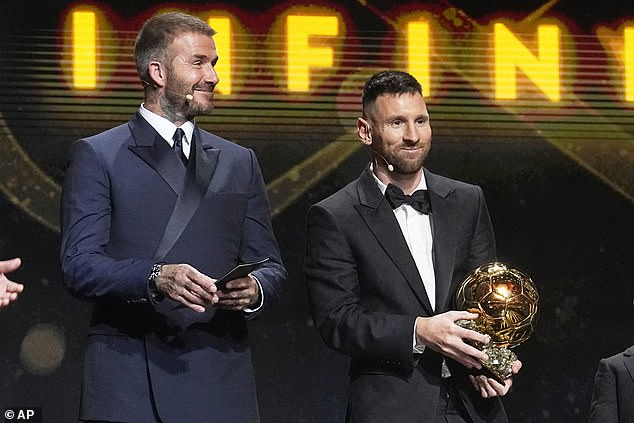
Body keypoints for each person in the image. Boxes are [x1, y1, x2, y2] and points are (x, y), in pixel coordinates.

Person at [60, 12, 286, 423]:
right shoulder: (99, 155)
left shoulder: (239, 161)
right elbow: (78, 266)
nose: (213, 76)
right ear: (158, 72)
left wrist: (255, 288)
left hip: (221, 383)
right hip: (131, 385)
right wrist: (156, 276)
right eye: (198, 62)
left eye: (214, 63)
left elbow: (270, 264)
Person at [304, 70, 521, 423]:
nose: (413, 136)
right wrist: (419, 331)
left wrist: (492, 359)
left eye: (421, 120)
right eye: (397, 123)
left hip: (473, 406)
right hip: (392, 406)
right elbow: (337, 321)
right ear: (365, 130)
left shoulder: (467, 200)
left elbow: (484, 302)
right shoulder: (335, 215)